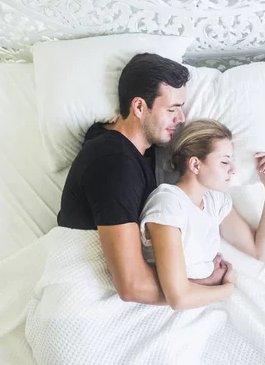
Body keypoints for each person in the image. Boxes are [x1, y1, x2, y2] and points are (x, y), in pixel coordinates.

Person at [57, 53, 227, 305]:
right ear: (138, 107)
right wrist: (210, 285)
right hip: (83, 298)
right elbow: (131, 286)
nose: (181, 119)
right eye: (172, 109)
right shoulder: (114, 165)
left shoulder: (127, 143)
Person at [140, 120, 265, 310]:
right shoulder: (168, 204)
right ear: (196, 165)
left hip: (204, 304)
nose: (233, 169)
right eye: (224, 161)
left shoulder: (215, 202)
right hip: (165, 310)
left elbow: (262, 251)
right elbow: (178, 298)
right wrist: (227, 288)